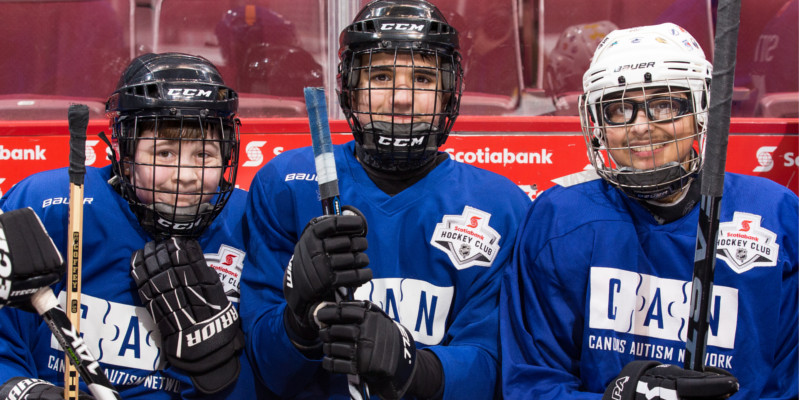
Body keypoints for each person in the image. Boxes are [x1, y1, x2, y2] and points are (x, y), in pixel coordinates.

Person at [240, 1, 530, 399]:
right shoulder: (285, 185)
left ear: (449, 93)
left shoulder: (503, 207)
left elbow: (491, 369)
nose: (401, 98)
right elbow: (268, 371)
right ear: (350, 89)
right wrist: (299, 322)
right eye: (380, 75)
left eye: (424, 79)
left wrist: (413, 367)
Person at [500, 23, 798, 399]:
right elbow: (533, 384)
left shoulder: (776, 217)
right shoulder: (560, 219)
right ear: (598, 124)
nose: (642, 127)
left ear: (700, 111)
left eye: (665, 104)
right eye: (620, 109)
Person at [0, 52, 267, 399]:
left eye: (204, 155)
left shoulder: (249, 222)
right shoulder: (49, 206)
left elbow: (281, 373)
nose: (185, 177)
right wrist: (26, 391)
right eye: (163, 153)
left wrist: (222, 369)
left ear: (228, 155)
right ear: (126, 156)